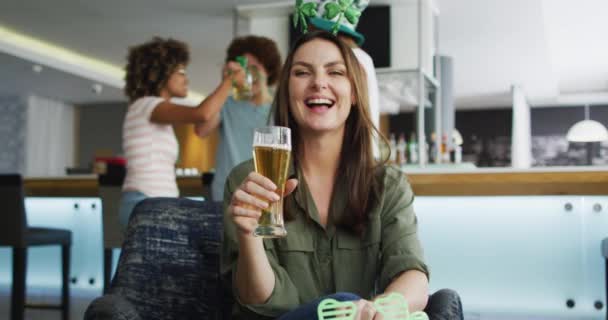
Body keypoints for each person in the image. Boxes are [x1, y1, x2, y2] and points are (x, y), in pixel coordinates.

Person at [221, 30, 430, 320]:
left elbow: (413, 276)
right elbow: (257, 299)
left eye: (335, 72)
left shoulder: (387, 184)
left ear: (355, 92)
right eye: (303, 72)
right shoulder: (249, 180)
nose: (319, 82)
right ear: (287, 92)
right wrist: (248, 236)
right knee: (343, 303)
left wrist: (378, 310)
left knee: (445, 302)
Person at [119, 36, 249, 227]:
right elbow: (202, 114)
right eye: (180, 71)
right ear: (159, 74)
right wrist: (229, 81)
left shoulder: (149, 109)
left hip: (153, 203)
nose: (186, 78)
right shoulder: (146, 105)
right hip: (145, 203)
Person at [194, 35, 282, 201]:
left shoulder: (281, 108)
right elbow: (201, 130)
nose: (248, 75)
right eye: (243, 69)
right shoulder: (227, 103)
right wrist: (226, 83)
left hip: (265, 196)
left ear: (268, 70)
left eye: (254, 68)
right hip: (226, 195)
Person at [295, 0, 381, 157]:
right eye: (303, 72)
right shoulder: (363, 58)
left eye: (335, 72)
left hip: (348, 156)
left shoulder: (354, 59)